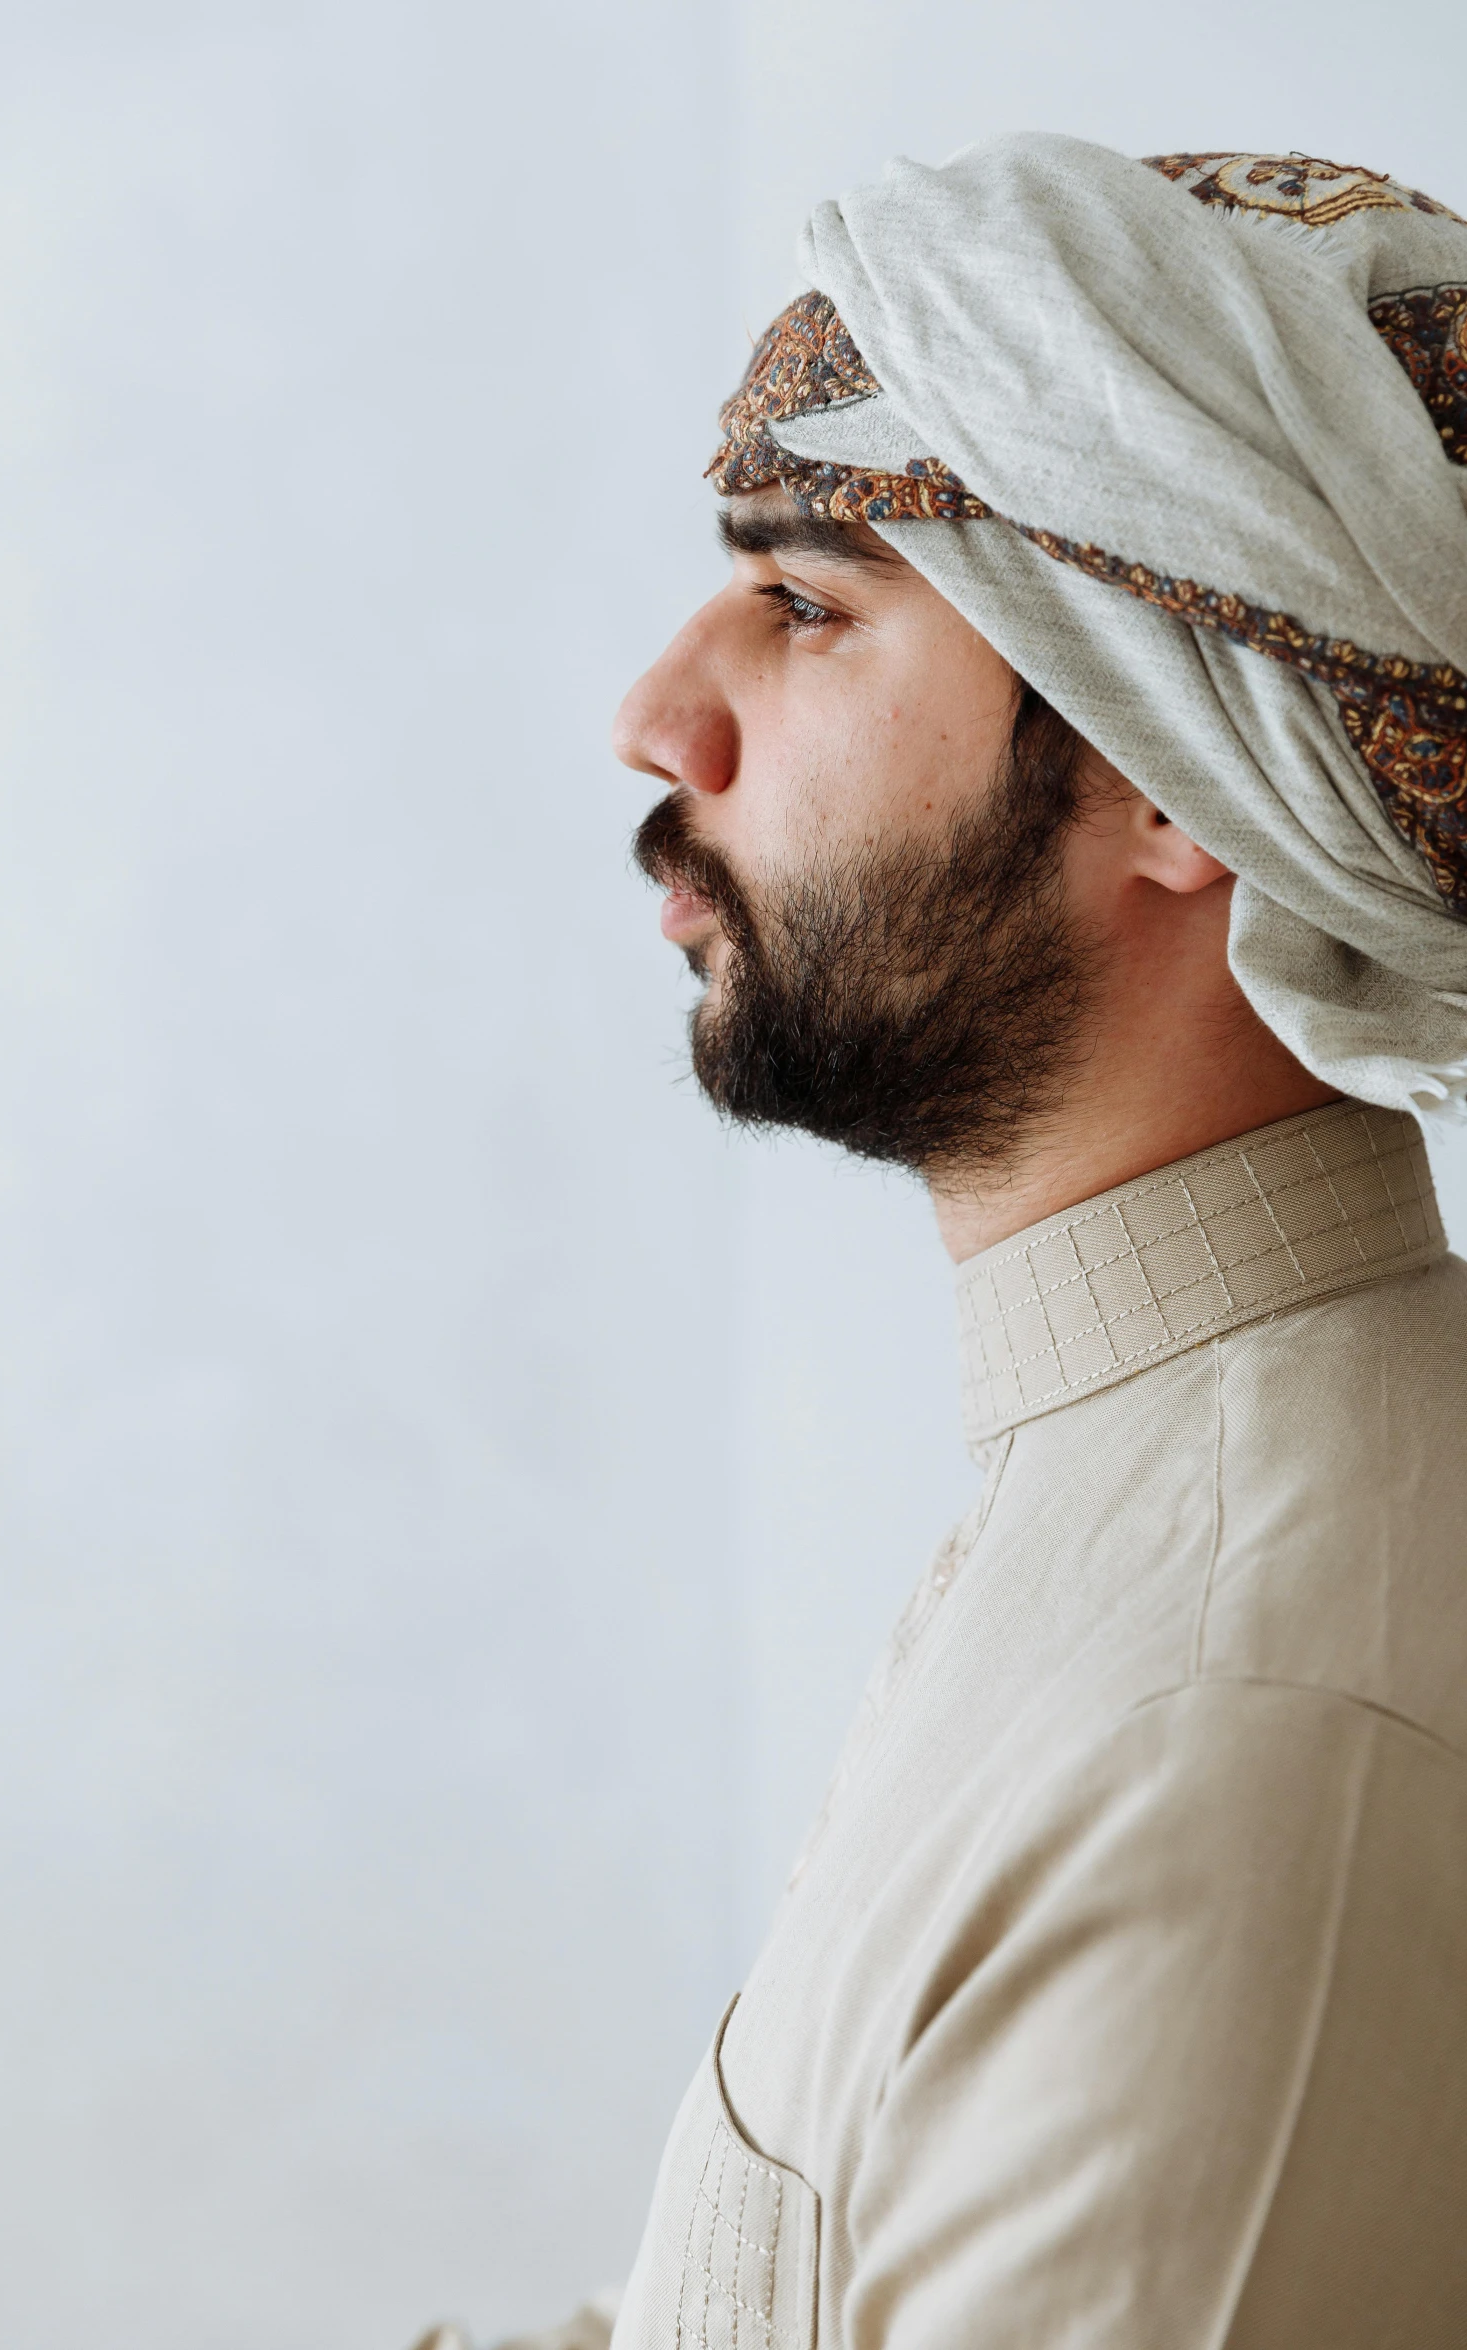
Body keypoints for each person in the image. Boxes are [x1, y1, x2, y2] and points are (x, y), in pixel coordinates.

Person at [596, 137, 1467, 2349]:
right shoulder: (1143, 1486)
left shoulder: (1241, 1739)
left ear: (1180, 773)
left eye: (809, 604)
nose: (657, 718)